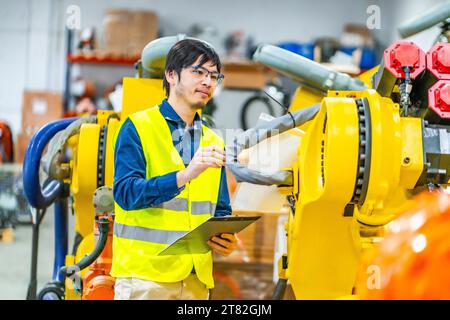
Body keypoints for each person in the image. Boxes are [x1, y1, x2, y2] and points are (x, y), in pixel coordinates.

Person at [111, 39, 238, 300]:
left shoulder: (213, 140)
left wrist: (225, 239)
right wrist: (185, 175)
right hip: (146, 279)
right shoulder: (138, 127)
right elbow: (125, 194)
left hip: (196, 282)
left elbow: (220, 209)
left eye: (214, 76)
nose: (208, 82)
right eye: (198, 72)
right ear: (171, 74)